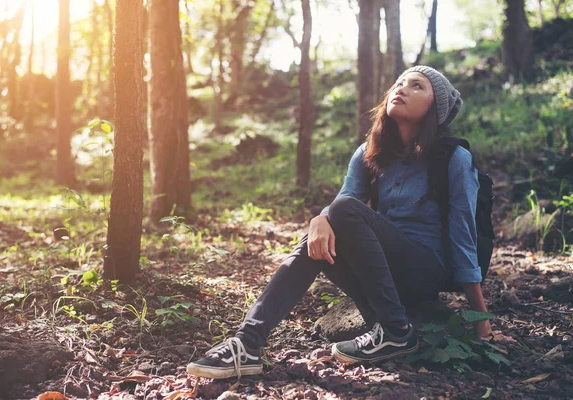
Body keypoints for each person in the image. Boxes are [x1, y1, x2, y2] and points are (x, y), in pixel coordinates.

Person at [186, 65, 491, 379]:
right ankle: (247, 342)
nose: (401, 88)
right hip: (381, 280)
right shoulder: (368, 154)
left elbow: (462, 239)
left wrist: (482, 323)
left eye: (417, 86)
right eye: (399, 82)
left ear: (435, 108)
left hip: (425, 272)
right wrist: (319, 220)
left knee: (341, 211)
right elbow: (342, 206)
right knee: (320, 234)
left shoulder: (453, 158)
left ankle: (396, 332)